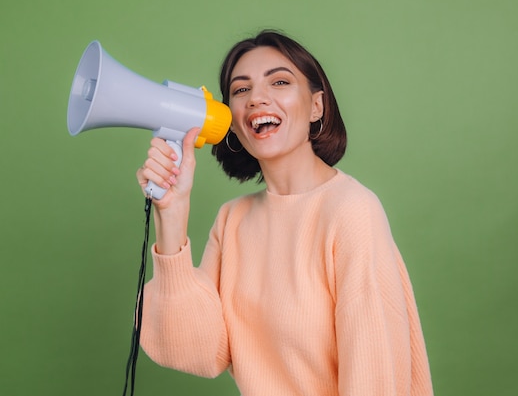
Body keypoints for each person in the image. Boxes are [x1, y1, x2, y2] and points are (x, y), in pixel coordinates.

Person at [136, 30, 433, 396]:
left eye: (279, 82)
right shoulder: (233, 220)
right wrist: (173, 214)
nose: (257, 98)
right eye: (241, 90)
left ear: (316, 106)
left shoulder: (352, 211)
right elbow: (195, 352)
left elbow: (376, 376)